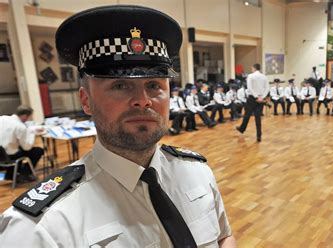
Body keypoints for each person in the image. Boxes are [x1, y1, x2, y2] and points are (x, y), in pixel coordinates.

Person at [0, 6, 237, 247]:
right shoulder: (39, 230)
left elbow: (224, 236)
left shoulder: (197, 172)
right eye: (120, 86)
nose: (143, 99)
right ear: (86, 101)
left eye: (154, 85)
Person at [0, 106, 44, 183]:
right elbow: (27, 147)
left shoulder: (2, 118)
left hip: (1, 153)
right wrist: (32, 133)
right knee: (38, 151)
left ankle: (10, 174)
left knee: (14, 147)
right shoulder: (20, 126)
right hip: (10, 156)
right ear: (25, 116)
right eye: (29, 117)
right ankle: (25, 174)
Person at [236, 63, 269, 142]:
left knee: (247, 114)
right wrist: (261, 97)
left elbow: (250, 88)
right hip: (261, 98)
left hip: (252, 98)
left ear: (254, 68)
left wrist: (256, 97)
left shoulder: (250, 76)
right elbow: (267, 88)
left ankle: (242, 129)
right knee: (258, 117)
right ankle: (259, 136)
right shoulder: (264, 77)